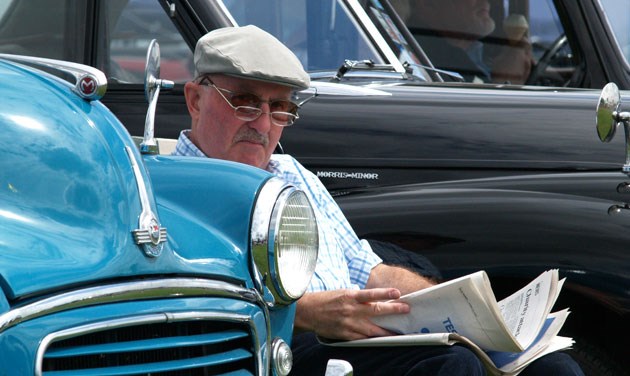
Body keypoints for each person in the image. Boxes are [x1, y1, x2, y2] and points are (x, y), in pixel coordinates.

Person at [173, 25, 583, 375]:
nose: (264, 124)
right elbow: (191, 304)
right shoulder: (169, 189)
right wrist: (308, 312)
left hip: (353, 339)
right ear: (195, 99)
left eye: (280, 108)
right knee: (451, 364)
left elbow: (367, 269)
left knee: (551, 366)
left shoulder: (291, 172)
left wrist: (456, 307)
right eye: (245, 102)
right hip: (275, 349)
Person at [398, 0, 534, 84]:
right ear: (429, 4)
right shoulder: (428, 59)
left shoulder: (474, 53)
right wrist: (505, 81)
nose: (486, 1)